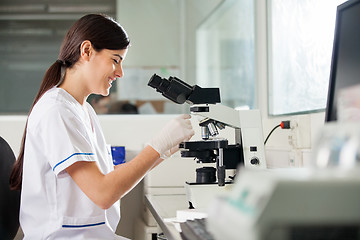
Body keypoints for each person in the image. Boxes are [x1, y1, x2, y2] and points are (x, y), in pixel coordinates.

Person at [9, 14, 194, 240]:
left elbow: (107, 177)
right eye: (115, 60)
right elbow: (103, 192)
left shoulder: (83, 109)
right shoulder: (57, 110)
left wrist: (164, 150)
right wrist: (157, 145)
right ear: (86, 51)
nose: (120, 72)